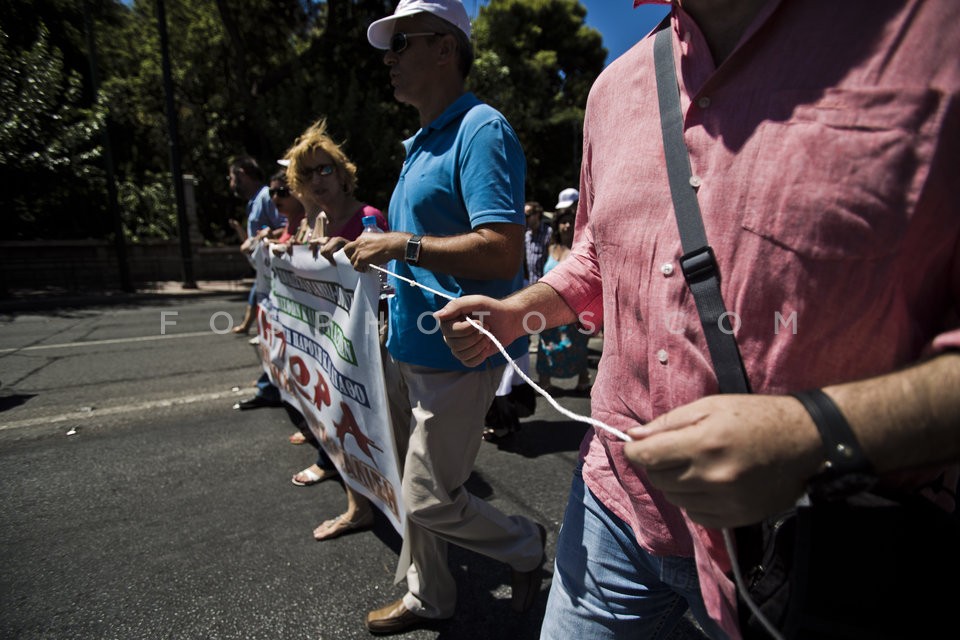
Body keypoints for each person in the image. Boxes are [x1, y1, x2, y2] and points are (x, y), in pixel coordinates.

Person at [436, 1, 960, 638]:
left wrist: (813, 435)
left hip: (813, 543)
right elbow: (597, 254)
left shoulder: (933, 34)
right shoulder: (611, 90)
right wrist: (520, 311)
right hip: (611, 502)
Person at [341, 0, 547, 633]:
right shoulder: (421, 142)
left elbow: (502, 248)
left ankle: (526, 544)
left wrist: (399, 244)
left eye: (402, 44)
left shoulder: (481, 129)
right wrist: (361, 250)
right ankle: (431, 595)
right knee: (413, 489)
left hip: (458, 352)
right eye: (390, 48)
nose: (390, 60)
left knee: (429, 498)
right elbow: (417, 250)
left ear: (445, 48)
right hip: (409, 347)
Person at [282, 118, 389, 542]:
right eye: (306, 174)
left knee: (372, 429)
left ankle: (388, 505)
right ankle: (359, 504)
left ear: (344, 175)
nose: (317, 179)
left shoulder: (368, 218)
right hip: (330, 345)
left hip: (367, 344)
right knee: (337, 421)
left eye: (325, 168)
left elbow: (384, 287)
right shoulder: (315, 224)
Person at [227, 155, 287, 335]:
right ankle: (259, 330)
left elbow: (286, 227)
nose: (231, 183)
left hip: (275, 266)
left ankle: (267, 333)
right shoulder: (254, 202)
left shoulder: (267, 197)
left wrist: (261, 239)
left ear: (242, 174)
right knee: (259, 291)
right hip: (263, 266)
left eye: (231, 178)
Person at [535, 206, 591, 395]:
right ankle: (545, 383)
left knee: (577, 345)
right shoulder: (549, 248)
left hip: (573, 307)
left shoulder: (581, 248)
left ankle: (583, 380)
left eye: (570, 222)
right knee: (546, 345)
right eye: (563, 222)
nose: (566, 226)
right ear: (557, 226)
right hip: (548, 306)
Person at [523, 201, 552, 285]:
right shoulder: (527, 235)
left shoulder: (549, 234)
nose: (525, 219)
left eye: (527, 216)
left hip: (545, 286)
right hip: (530, 285)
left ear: (537, 215)